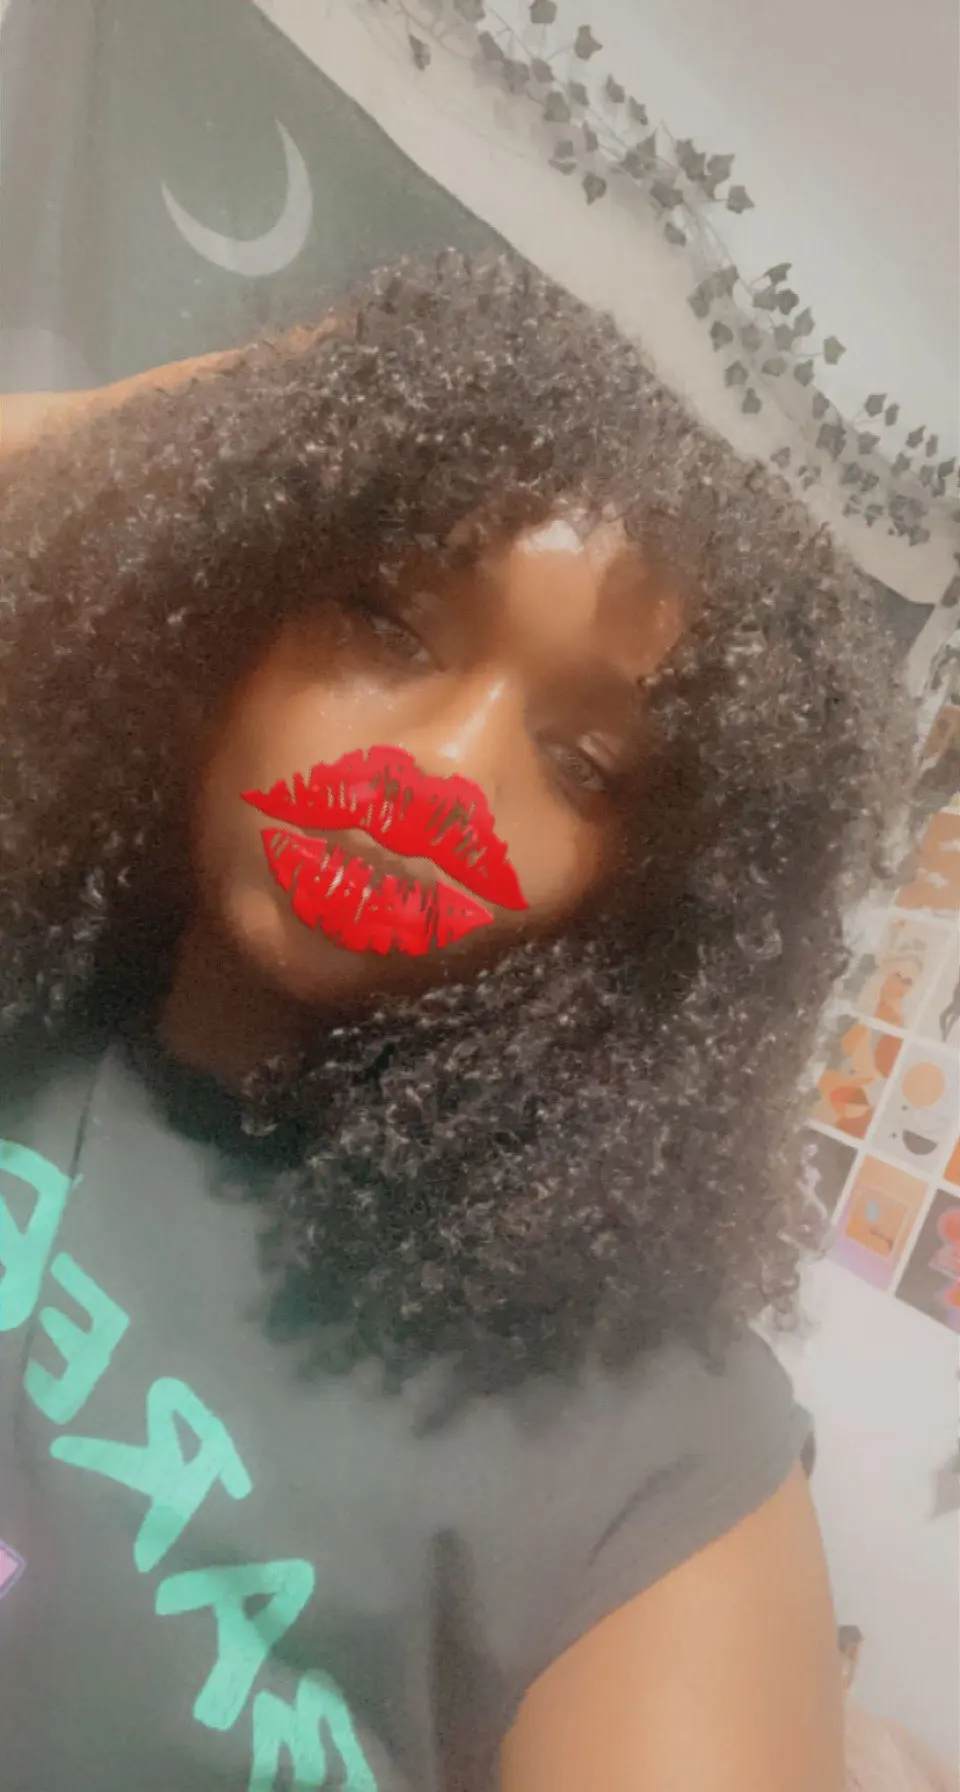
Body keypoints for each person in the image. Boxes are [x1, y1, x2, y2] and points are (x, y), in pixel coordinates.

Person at [0, 254, 910, 1792]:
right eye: (388, 623)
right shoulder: (37, 969)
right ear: (224, 594)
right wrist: (250, 424)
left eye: (584, 764)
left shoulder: (652, 1454)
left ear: (656, 895)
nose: (439, 781)